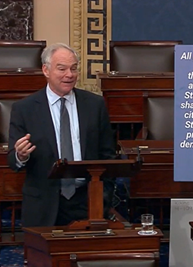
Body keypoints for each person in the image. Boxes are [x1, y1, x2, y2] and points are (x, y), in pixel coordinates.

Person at [7, 43, 116, 227]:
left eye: (74, 68)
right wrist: (20, 155)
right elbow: (12, 161)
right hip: (44, 202)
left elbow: (108, 155)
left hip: (87, 200)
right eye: (62, 68)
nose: (69, 74)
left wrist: (104, 196)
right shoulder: (24, 109)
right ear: (46, 70)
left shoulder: (95, 105)